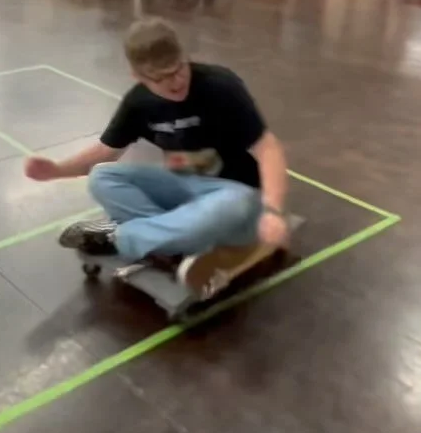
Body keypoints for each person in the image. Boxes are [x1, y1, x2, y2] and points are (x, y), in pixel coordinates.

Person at [24, 17, 289, 300]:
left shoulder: (221, 85)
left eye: (178, 70)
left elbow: (268, 148)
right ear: (138, 76)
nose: (175, 82)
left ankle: (118, 236)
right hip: (182, 187)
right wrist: (56, 171)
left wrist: (272, 210)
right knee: (102, 176)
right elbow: (104, 152)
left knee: (233, 204)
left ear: (185, 57)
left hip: (234, 193)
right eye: (160, 78)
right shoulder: (138, 102)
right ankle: (170, 239)